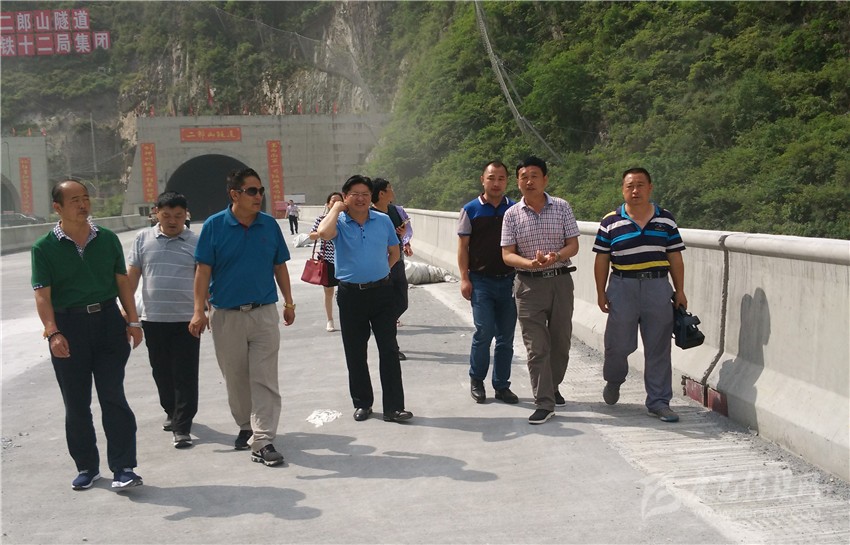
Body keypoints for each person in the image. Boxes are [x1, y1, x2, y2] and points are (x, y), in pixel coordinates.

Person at [31, 180, 144, 490]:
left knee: (113, 396)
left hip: (108, 322)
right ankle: (87, 467)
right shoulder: (43, 248)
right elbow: (42, 295)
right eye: (75, 200)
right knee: (76, 403)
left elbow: (122, 283)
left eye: (85, 198)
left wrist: (134, 322)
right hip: (69, 327)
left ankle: (124, 468)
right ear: (57, 207)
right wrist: (53, 333)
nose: (83, 205)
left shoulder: (107, 239)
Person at [189, 168, 296, 467]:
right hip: (226, 315)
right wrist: (198, 310)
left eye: (260, 190)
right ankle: (246, 425)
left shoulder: (269, 225)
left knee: (265, 377)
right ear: (234, 194)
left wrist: (289, 302)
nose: (258, 196)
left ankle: (262, 439)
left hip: (264, 313)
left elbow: (279, 266)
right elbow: (203, 271)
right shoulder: (214, 226)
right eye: (252, 191)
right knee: (235, 378)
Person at [593, 167, 687, 423]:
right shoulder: (610, 221)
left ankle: (659, 402)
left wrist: (679, 290)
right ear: (623, 190)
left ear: (650, 188)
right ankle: (614, 380)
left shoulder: (666, 219)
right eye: (630, 186)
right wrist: (600, 292)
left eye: (640, 185)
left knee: (658, 347)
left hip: (658, 286)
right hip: (622, 286)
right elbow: (602, 260)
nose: (635, 191)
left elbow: (675, 256)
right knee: (617, 345)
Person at [317, 175, 412, 423]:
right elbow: (324, 233)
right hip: (350, 295)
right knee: (355, 352)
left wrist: (381, 271)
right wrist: (336, 209)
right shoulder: (338, 222)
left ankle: (394, 407)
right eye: (355, 194)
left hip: (382, 292)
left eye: (365, 194)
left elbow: (394, 252)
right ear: (345, 196)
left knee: (389, 350)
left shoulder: (382, 220)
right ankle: (362, 403)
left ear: (371, 197)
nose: (360, 199)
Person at [501, 156, 580, 424]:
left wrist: (556, 256)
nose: (529, 181)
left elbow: (573, 245)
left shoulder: (562, 207)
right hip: (528, 285)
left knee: (561, 343)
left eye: (534, 176)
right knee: (536, 347)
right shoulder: (511, 214)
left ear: (545, 179)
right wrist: (529, 263)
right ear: (518, 182)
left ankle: (552, 386)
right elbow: (507, 254)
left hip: (560, 281)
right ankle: (544, 402)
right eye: (524, 177)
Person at [127, 191, 200, 449]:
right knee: (161, 371)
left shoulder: (196, 241)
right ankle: (171, 410)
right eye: (166, 215)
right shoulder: (142, 239)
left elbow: (203, 278)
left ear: (186, 215)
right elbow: (133, 275)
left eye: (178, 216)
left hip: (186, 319)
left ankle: (182, 426)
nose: (172, 221)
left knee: (185, 373)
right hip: (153, 317)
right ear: (156, 213)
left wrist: (202, 310)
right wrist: (127, 310)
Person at [457, 161, 518, 404]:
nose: (496, 183)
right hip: (481, 281)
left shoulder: (514, 209)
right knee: (484, 332)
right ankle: (477, 380)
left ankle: (501, 385)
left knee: (506, 337)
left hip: (510, 280)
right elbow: (463, 247)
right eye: (491, 178)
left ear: (507, 181)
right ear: (482, 180)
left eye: (501, 178)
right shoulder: (470, 210)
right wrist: (464, 278)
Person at [370, 178, 412, 359]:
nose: (393, 191)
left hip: (397, 262)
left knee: (402, 301)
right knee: (386, 305)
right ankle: (391, 346)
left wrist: (404, 238)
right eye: (390, 188)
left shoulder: (396, 211)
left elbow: (406, 231)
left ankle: (381, 323)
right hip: (380, 264)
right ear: (381, 193)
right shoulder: (369, 215)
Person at [308, 192, 344, 332]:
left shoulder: (347, 219)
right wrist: (323, 232)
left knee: (346, 292)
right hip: (328, 260)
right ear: (328, 204)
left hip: (345, 260)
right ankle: (330, 320)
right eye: (333, 201)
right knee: (328, 292)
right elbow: (312, 235)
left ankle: (349, 319)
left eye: (339, 201)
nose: (336, 203)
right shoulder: (321, 219)